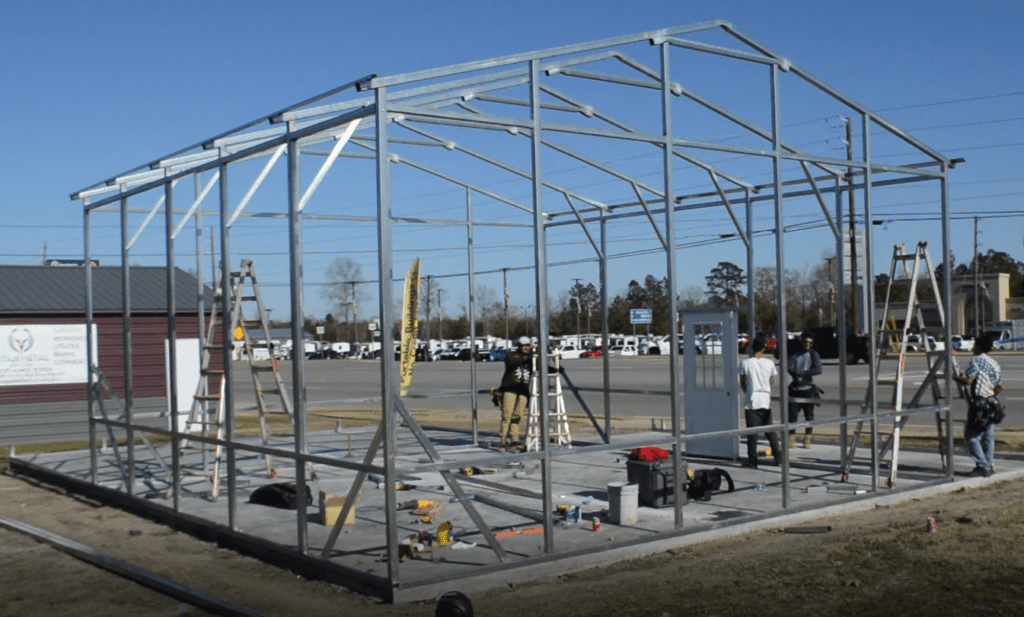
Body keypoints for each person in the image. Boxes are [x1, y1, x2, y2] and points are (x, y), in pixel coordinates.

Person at [953, 333, 1003, 477]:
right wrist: (991, 395)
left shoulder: (976, 361)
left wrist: (954, 377)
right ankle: (989, 465)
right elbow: (999, 387)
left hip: (980, 404)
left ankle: (982, 466)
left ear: (979, 347)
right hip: (992, 404)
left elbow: (968, 381)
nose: (973, 348)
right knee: (988, 438)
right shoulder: (994, 363)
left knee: (971, 436)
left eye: (974, 345)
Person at [739, 336, 782, 468]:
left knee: (752, 434)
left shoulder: (746, 363)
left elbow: (743, 382)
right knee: (770, 432)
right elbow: (771, 380)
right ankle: (779, 458)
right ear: (763, 348)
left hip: (752, 400)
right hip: (765, 399)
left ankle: (753, 461)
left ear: (752, 348)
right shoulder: (769, 363)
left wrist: (749, 392)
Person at [496, 336, 534, 452]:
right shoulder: (512, 354)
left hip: (523, 391)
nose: (526, 348)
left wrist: (558, 369)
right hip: (510, 389)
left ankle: (514, 441)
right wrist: (528, 357)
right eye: (524, 346)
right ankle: (503, 441)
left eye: (528, 346)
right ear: (519, 346)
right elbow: (512, 361)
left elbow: (541, 367)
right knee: (506, 416)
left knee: (517, 417)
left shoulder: (531, 358)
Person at [787, 332, 822, 448]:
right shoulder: (795, 354)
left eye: (810, 342)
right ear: (802, 342)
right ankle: (791, 437)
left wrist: (804, 374)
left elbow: (818, 369)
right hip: (795, 389)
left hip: (807, 389)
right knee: (792, 416)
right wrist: (795, 374)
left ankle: (807, 438)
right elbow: (789, 367)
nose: (808, 344)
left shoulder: (813, 354)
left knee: (809, 416)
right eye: (806, 342)